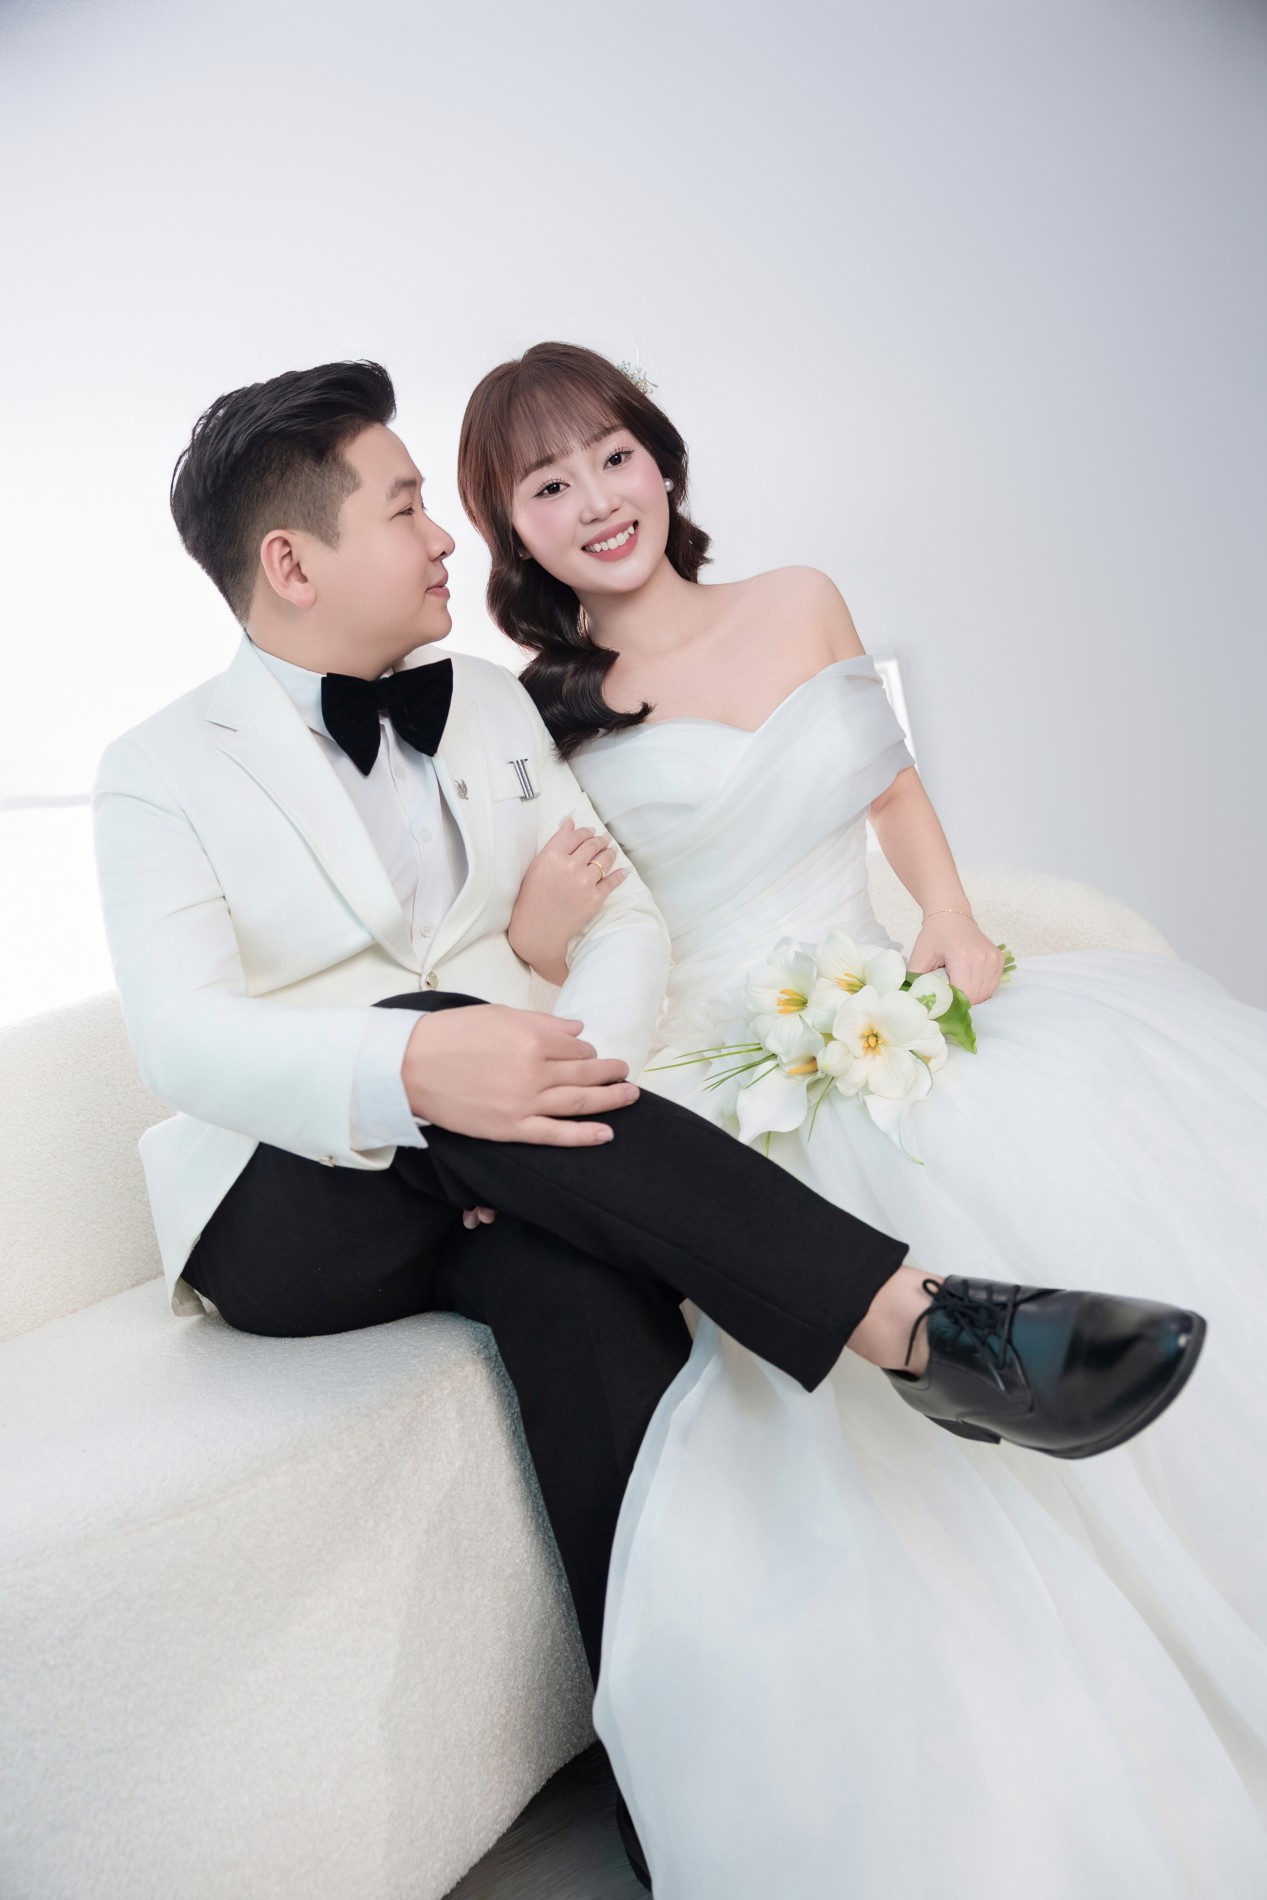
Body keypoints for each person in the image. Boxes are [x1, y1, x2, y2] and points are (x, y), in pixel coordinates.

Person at [456, 341, 1267, 1897]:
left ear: (661, 460)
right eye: (545, 486)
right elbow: (559, 943)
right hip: (729, 1069)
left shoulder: (800, 598)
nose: (597, 500)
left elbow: (888, 786)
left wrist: (948, 918)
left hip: (889, 999)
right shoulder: (540, 715)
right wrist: (544, 936)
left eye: (612, 456)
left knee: (1107, 1156)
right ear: (513, 531)